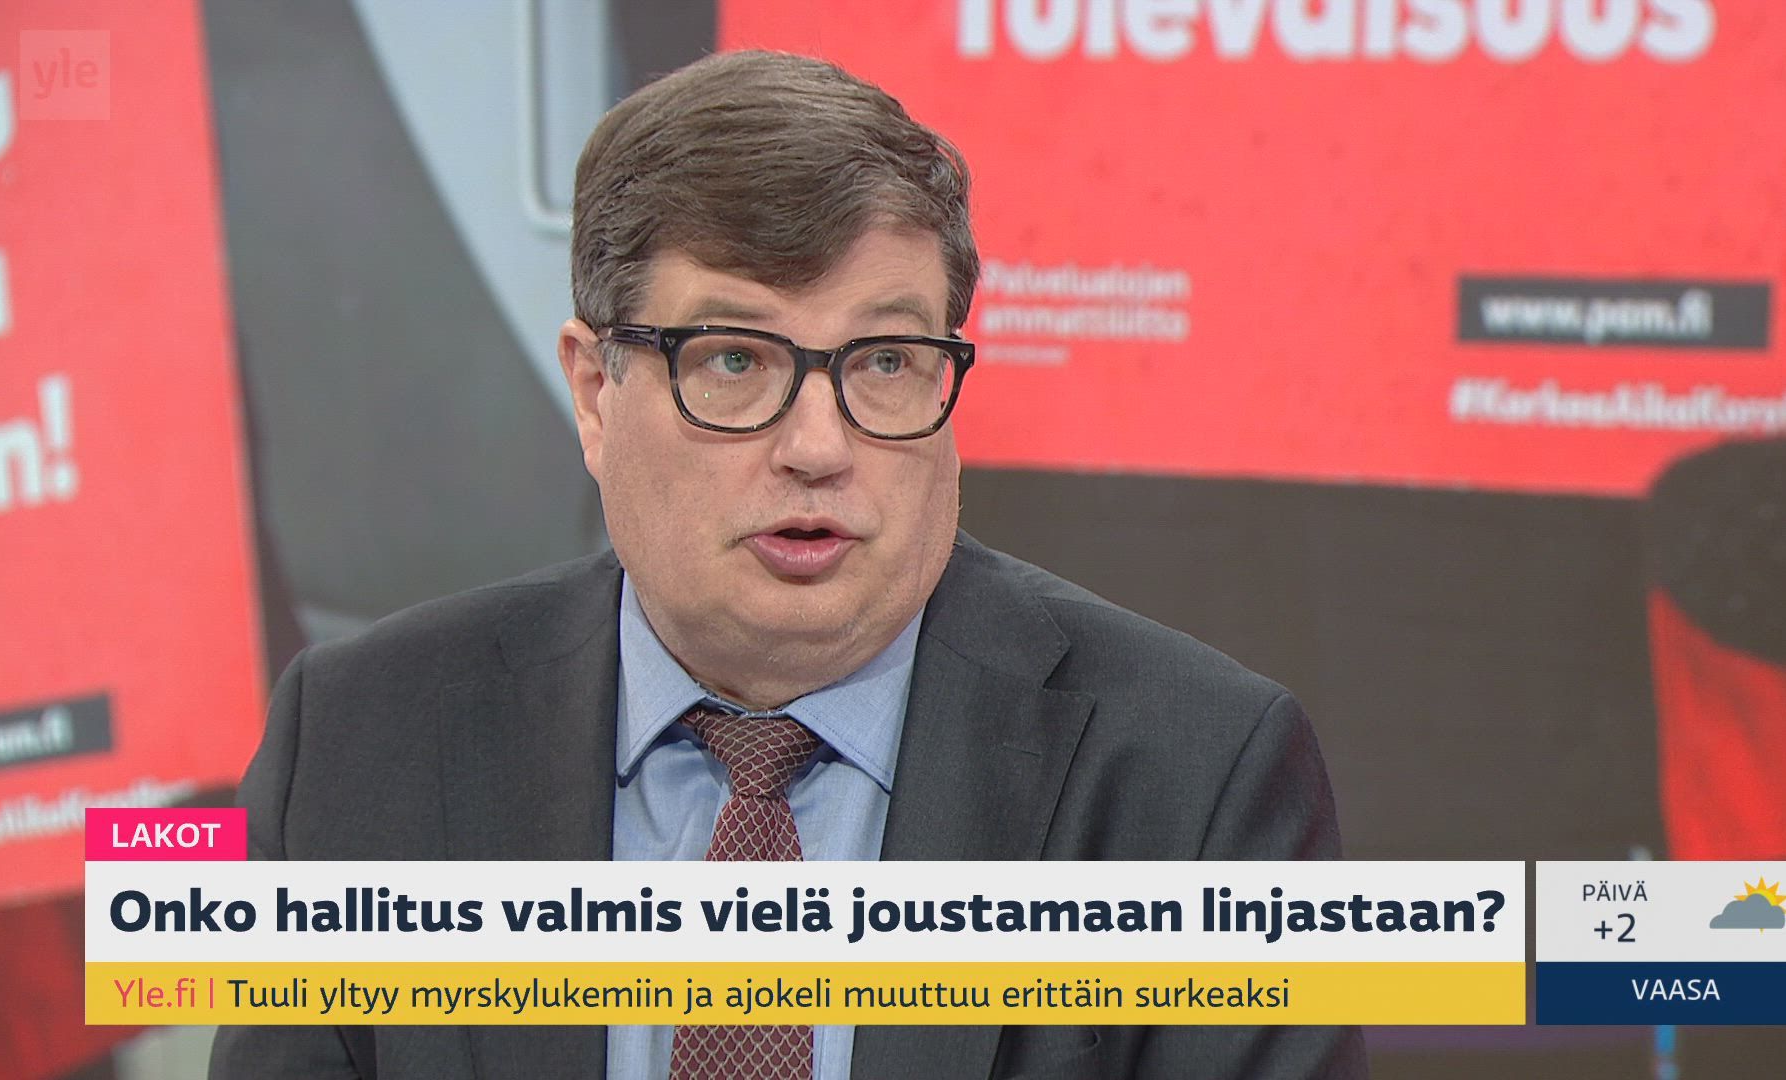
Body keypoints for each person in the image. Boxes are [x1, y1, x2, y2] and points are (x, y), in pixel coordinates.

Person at [211, 50, 1365, 1080]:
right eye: (733, 361)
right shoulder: (360, 746)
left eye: (886, 361)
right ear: (597, 393)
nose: (819, 446)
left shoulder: (1192, 777)